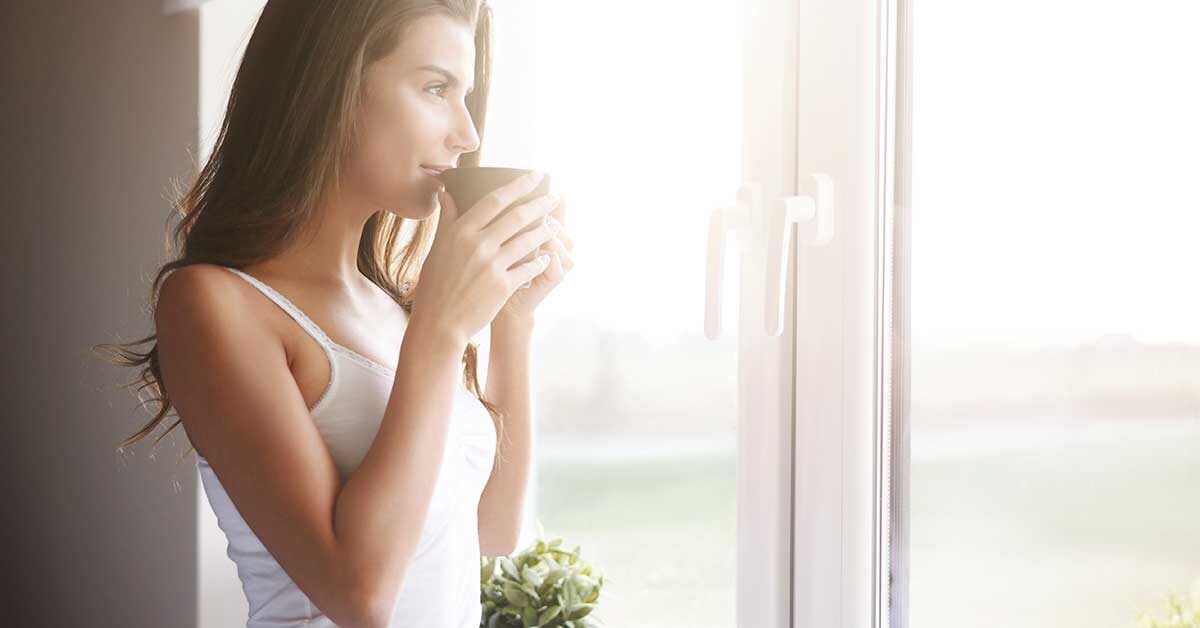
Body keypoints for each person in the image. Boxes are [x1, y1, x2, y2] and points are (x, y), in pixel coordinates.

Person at [92, 1, 574, 626]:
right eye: (435, 88)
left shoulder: (392, 307)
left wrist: (514, 321)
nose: (468, 134)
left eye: (466, 95)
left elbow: (492, 529)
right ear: (332, 84)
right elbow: (359, 595)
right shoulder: (214, 304)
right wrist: (440, 328)